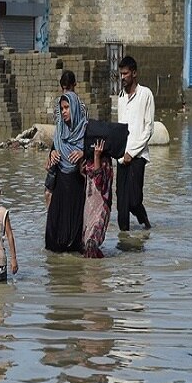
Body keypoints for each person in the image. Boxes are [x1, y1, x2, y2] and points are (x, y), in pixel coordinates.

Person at [44, 91, 87, 252]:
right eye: (62, 108)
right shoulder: (60, 131)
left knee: (75, 233)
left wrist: (83, 153)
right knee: (54, 234)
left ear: (74, 108)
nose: (64, 112)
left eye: (67, 107)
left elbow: (97, 155)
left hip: (78, 186)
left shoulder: (85, 131)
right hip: (61, 185)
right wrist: (52, 154)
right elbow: (52, 155)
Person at [116, 55, 154, 231]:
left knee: (134, 201)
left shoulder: (145, 94)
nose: (123, 77)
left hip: (137, 157)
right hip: (122, 157)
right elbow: (120, 129)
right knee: (121, 207)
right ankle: (124, 245)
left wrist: (132, 152)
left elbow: (148, 129)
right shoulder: (121, 98)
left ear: (134, 73)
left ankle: (145, 222)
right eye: (121, 74)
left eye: (125, 73)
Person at [45, 70, 87, 208]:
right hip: (59, 148)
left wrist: (82, 153)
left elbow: (83, 131)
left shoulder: (81, 107)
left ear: (75, 85)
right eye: (63, 89)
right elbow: (59, 130)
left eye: (68, 88)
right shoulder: (59, 104)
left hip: (75, 152)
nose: (65, 92)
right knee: (49, 190)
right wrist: (52, 153)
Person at [81, 139, 113, 258]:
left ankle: (94, 273)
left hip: (101, 207)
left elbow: (100, 182)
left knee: (92, 242)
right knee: (86, 243)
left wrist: (97, 157)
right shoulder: (87, 161)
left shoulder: (105, 162)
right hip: (89, 208)